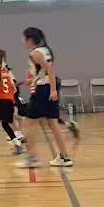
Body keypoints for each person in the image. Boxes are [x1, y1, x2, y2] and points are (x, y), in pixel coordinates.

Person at [16, 28, 73, 168]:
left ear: (29, 39)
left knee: (28, 124)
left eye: (23, 38)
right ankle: (64, 157)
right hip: (47, 86)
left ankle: (32, 158)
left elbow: (50, 70)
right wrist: (31, 80)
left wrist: (52, 90)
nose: (22, 41)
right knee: (53, 123)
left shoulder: (34, 53)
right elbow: (44, 72)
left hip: (43, 90)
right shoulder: (46, 50)